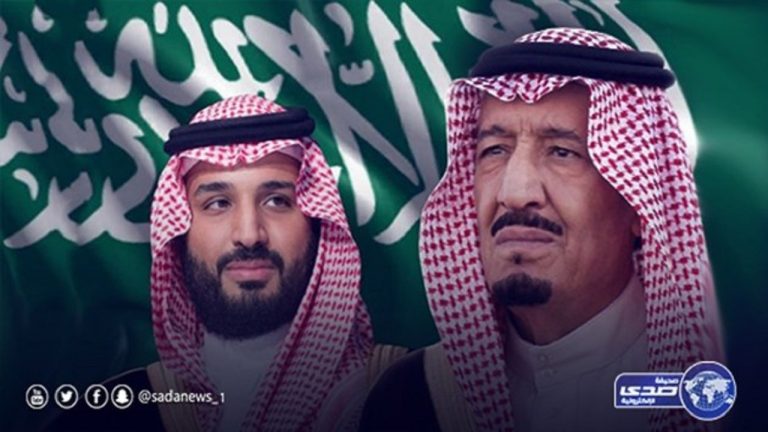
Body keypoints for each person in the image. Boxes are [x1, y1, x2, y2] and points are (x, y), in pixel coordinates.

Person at [361, 28, 723, 432]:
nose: (515, 194)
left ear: (640, 203)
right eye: (494, 151)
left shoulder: (721, 388)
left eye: (563, 153)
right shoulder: (413, 396)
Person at [50, 95, 372, 431]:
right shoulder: (109, 418)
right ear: (179, 232)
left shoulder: (396, 395)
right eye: (218, 204)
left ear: (317, 223)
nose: (249, 235)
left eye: (277, 201)